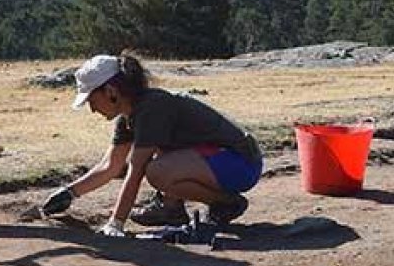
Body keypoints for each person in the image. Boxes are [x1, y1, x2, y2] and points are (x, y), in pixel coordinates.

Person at [39, 53, 263, 237]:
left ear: (110, 92)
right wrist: (68, 193)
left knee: (157, 170)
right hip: (219, 161)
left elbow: (135, 171)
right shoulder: (130, 115)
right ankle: (171, 208)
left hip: (241, 162)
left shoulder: (151, 108)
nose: (92, 109)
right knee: (161, 165)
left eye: (91, 100)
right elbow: (110, 166)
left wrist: (116, 224)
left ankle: (226, 204)